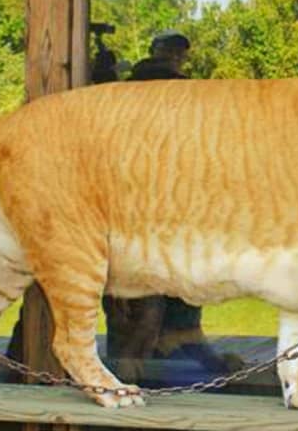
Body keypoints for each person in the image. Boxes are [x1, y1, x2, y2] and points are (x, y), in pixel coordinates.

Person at [101, 31, 243, 382]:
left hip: (145, 201)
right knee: (146, 300)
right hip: (150, 203)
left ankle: (144, 358)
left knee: (153, 296)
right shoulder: (171, 93)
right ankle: (132, 363)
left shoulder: (125, 93)